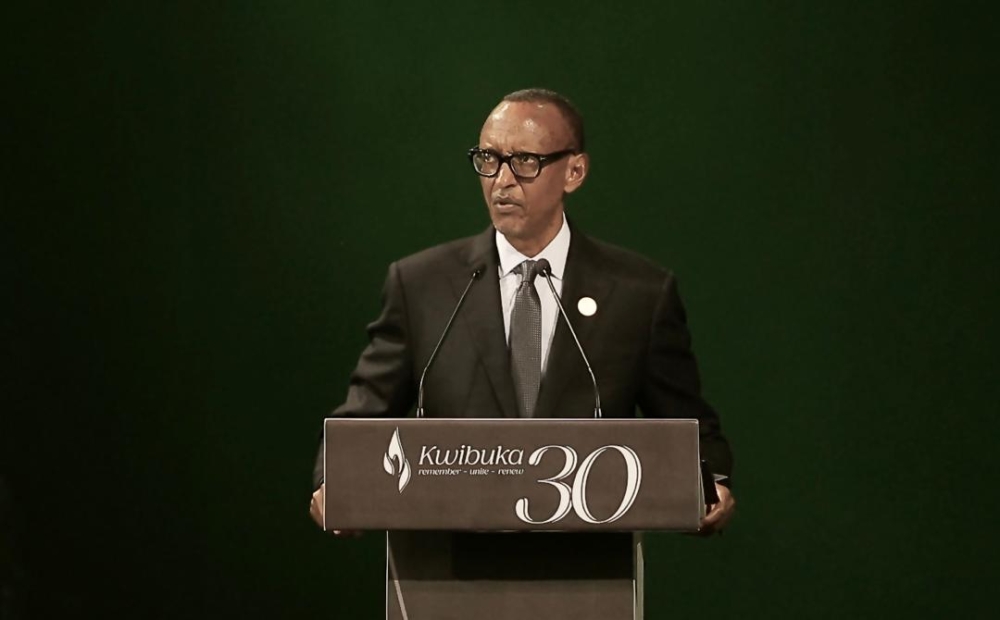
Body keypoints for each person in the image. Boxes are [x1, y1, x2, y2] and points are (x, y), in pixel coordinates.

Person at [310, 88, 735, 534]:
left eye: (524, 162)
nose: (501, 181)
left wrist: (713, 484)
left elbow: (691, 431)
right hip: (445, 572)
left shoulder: (639, 294)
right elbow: (361, 417)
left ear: (574, 171)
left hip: (587, 570)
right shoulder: (421, 286)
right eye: (488, 159)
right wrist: (333, 479)